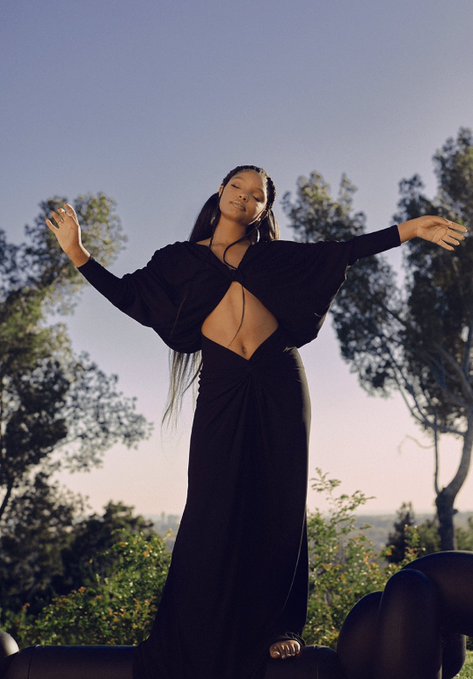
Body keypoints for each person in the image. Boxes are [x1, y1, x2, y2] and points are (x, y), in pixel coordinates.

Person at [45, 165, 468, 679]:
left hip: (279, 380)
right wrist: (78, 252)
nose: (245, 197)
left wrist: (411, 229)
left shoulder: (275, 258)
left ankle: (280, 626)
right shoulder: (178, 261)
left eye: (257, 195)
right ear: (221, 191)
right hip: (222, 387)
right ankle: (195, 628)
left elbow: (344, 250)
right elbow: (130, 296)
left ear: (264, 209)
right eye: (237, 187)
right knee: (211, 505)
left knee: (280, 500)